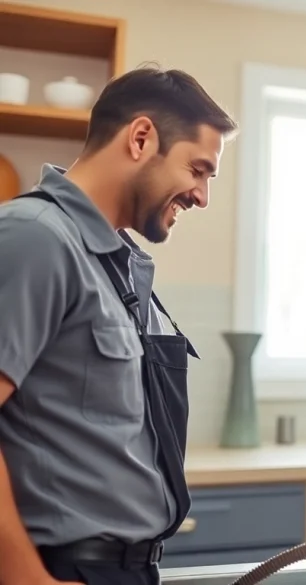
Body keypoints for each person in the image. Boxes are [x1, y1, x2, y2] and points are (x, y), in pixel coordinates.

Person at [0, 66, 237, 585]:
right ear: (141, 138)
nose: (201, 196)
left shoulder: (118, 262)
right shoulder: (35, 238)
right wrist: (25, 578)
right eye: (197, 170)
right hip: (63, 569)